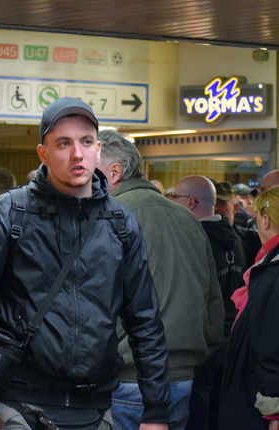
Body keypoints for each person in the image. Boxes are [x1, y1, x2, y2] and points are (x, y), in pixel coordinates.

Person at [0, 97, 171, 430]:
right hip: (17, 400)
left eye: (86, 142)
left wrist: (156, 409)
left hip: (96, 405)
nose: (77, 153)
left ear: (98, 150)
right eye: (63, 143)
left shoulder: (119, 222)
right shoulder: (10, 213)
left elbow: (144, 320)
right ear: (43, 153)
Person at [97, 132, 224, 430]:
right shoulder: (188, 219)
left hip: (127, 375)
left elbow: (96, 300)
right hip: (183, 374)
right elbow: (213, 302)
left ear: (114, 172)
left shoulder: (108, 216)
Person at [170, 177, 245, 430]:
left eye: (175, 198)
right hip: (232, 343)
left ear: (190, 202)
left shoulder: (193, 240)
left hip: (203, 345)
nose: (171, 203)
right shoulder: (235, 238)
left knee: (197, 417)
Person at [219, 186, 279, 430]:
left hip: (257, 407)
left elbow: (269, 344)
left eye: (255, 219)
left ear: (265, 220)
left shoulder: (272, 272)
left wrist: (273, 409)